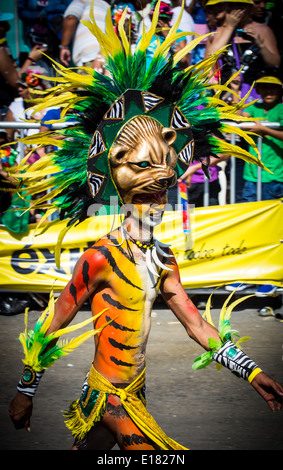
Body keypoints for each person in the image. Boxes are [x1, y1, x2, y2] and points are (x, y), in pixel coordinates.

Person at [8, 4, 283, 450]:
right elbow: (49, 325)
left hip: (129, 394)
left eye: (162, 192)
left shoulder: (162, 258)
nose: (156, 202)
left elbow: (198, 327)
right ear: (122, 191)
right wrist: (24, 391)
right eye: (145, 193)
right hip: (112, 400)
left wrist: (252, 371)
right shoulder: (100, 257)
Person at [204, 0, 281, 100]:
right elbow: (209, 59)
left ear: (249, 8)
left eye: (240, 6)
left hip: (255, 91)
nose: (235, 10)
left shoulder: (263, 30)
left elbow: (275, 62)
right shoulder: (218, 32)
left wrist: (261, 45)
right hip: (227, 92)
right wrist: (230, 27)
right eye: (232, 6)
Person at [59, 0, 110, 68]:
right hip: (108, 56)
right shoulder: (109, 7)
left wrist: (64, 46)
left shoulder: (82, 1)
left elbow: (71, 18)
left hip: (89, 55)